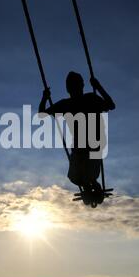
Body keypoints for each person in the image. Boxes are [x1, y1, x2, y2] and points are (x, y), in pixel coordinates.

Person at [38, 71, 115, 204]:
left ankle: (91, 184)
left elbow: (110, 106)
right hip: (83, 144)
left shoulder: (86, 99)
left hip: (91, 142)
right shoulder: (73, 102)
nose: (74, 88)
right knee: (77, 175)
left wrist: (45, 98)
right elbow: (42, 115)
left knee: (80, 175)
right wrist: (44, 97)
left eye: (75, 85)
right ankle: (90, 184)